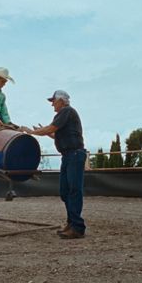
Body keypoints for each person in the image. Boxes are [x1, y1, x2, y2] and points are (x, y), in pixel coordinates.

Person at [25, 90, 87, 239]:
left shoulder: (66, 111)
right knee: (66, 191)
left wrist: (32, 132)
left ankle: (77, 227)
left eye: (53, 100)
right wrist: (43, 131)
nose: (52, 103)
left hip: (73, 155)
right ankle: (72, 223)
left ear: (61, 101)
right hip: (69, 155)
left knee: (72, 190)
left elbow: (51, 128)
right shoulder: (66, 113)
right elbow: (55, 133)